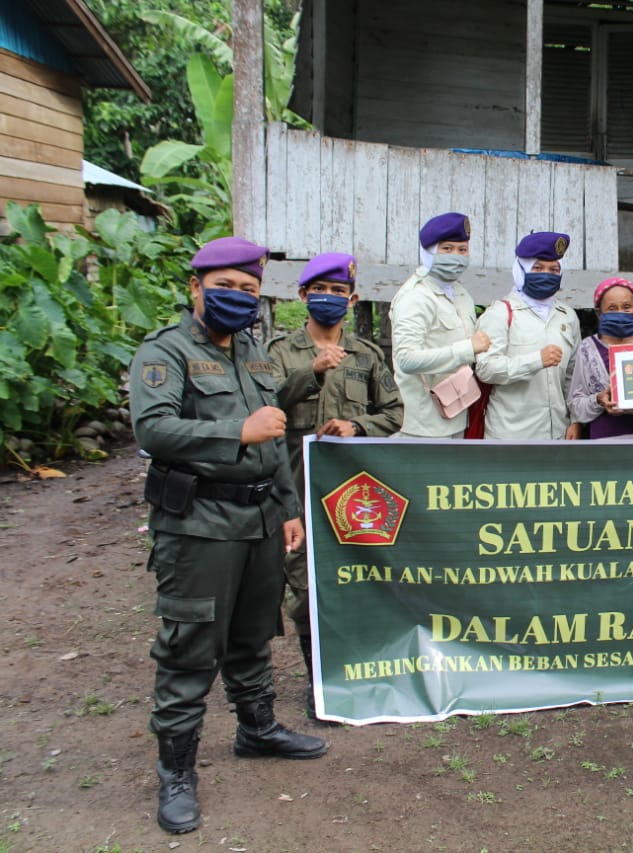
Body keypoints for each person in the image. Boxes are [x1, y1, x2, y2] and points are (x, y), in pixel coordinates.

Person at [129, 237, 327, 835]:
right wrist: (234, 430)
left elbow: (275, 441)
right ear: (196, 287)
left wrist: (288, 507)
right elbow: (155, 428)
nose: (239, 298)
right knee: (192, 644)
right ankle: (177, 771)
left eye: (248, 289)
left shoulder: (256, 354)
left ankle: (257, 728)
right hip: (198, 526)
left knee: (251, 631)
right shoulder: (165, 352)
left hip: (262, 518)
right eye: (226, 287)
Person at [267, 252, 403, 717]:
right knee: (305, 582)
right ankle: (318, 679)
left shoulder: (367, 354)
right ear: (303, 296)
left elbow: (393, 413)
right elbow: (268, 408)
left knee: (356, 578)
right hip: (296, 484)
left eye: (338, 292)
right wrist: (313, 373)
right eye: (319, 291)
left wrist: (358, 426)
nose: (329, 299)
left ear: (353, 299)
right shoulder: (279, 353)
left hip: (353, 491)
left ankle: (355, 670)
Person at [389, 212, 490, 437]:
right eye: (447, 249)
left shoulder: (461, 294)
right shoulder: (416, 297)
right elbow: (406, 359)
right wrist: (468, 349)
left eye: (462, 250)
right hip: (422, 425)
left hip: (456, 413)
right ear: (429, 252)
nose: (456, 256)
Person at [475, 231, 581, 439]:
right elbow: (486, 369)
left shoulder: (567, 316)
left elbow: (572, 376)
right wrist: (536, 361)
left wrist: (575, 420)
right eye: (538, 268)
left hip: (557, 435)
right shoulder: (500, 313)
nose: (546, 274)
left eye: (554, 269)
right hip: (510, 436)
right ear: (520, 270)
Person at [568, 276, 633, 439]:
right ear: (599, 313)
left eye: (627, 307)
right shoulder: (588, 349)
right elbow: (576, 404)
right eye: (612, 308)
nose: (620, 313)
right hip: (606, 443)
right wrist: (599, 400)